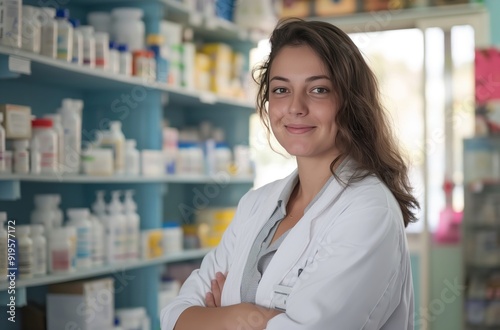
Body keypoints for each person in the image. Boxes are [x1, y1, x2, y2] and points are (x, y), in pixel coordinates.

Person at [161, 17, 420, 330]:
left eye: (319, 89)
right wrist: (247, 317)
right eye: (281, 89)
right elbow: (175, 316)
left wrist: (219, 315)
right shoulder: (256, 205)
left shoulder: (368, 211)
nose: (295, 107)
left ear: (351, 102)